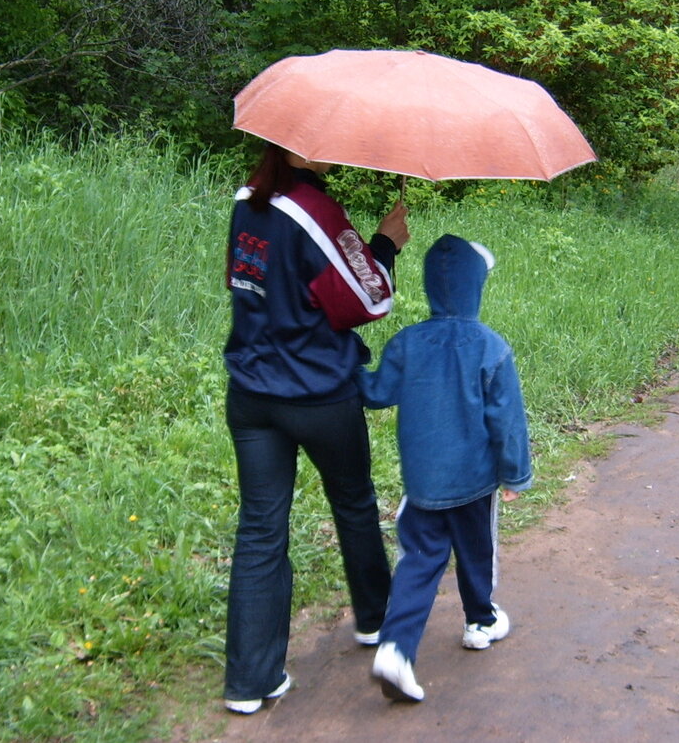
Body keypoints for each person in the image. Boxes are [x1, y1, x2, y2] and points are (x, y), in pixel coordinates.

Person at [220, 143, 409, 715]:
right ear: (303, 147)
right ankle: (375, 620)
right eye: (329, 142)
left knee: (259, 529)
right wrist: (385, 244)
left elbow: (249, 283)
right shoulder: (317, 212)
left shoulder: (246, 199)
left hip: (251, 392)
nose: (340, 151)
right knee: (353, 502)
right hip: (318, 393)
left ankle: (250, 682)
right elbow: (368, 299)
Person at [357, 234, 532, 702]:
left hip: (422, 481)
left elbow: (374, 394)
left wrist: (351, 362)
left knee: (418, 560)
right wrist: (515, 474)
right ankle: (481, 621)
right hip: (474, 481)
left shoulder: (407, 342)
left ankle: (395, 649)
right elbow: (508, 421)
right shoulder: (491, 347)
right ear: (477, 287)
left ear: (430, 286)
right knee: (477, 550)